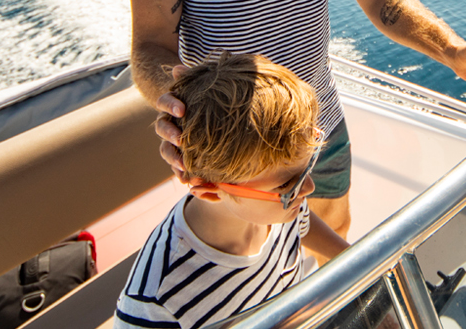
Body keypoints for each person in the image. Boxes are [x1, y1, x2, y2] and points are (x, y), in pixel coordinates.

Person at [113, 0, 466, 250]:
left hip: (319, 123)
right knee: (243, 263)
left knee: (335, 230)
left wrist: (450, 50)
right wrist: (186, 107)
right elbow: (150, 44)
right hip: (237, 144)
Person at [114, 52, 350, 329]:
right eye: (287, 184)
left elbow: (303, 226)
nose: (308, 188)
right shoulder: (157, 303)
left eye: (307, 165)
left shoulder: (281, 206)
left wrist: (363, 264)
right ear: (211, 191)